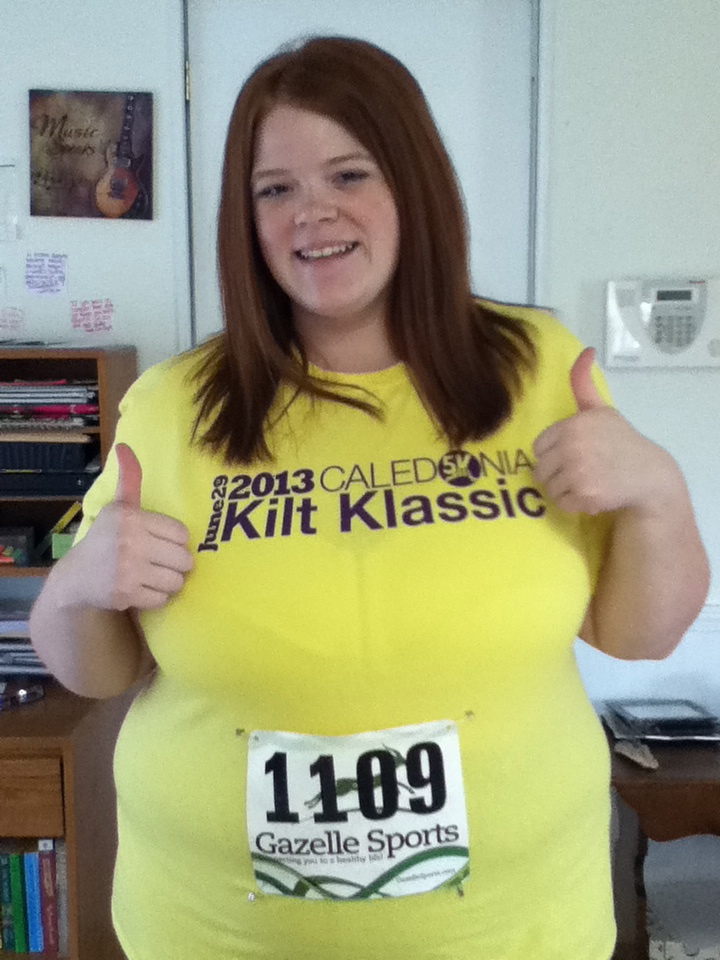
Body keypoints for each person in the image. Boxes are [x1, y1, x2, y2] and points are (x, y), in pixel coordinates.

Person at [30, 35, 709, 960]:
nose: (313, 213)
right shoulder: (175, 404)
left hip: (513, 933)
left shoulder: (538, 371)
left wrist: (658, 492)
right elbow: (95, 671)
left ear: (413, 184)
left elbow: (640, 634)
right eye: (275, 189)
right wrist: (78, 585)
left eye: (349, 174)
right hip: (219, 935)